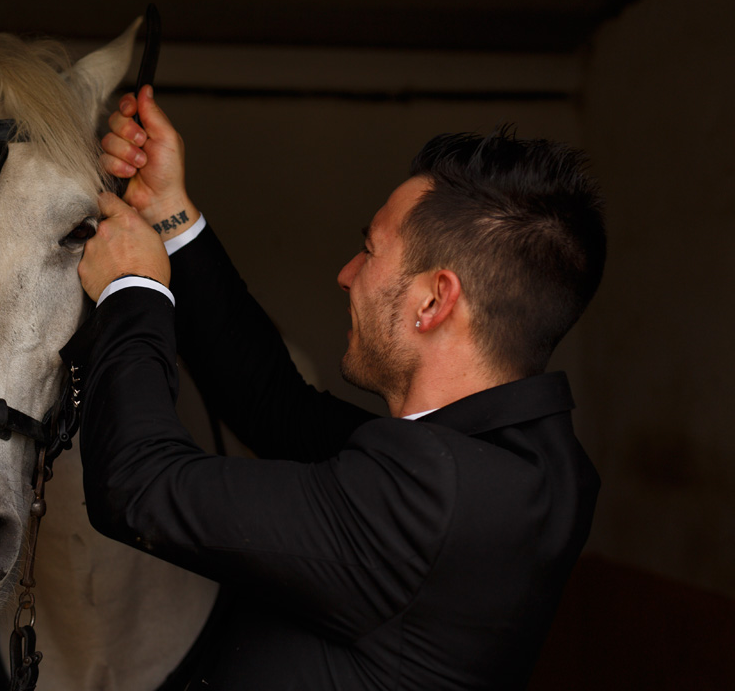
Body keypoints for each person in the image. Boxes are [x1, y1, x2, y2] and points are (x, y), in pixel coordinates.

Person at [61, 85, 605, 690]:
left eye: (368, 251)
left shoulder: (432, 497)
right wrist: (169, 214)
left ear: (433, 300)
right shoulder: (520, 463)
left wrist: (131, 291)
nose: (346, 276)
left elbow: (137, 486)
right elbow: (278, 409)